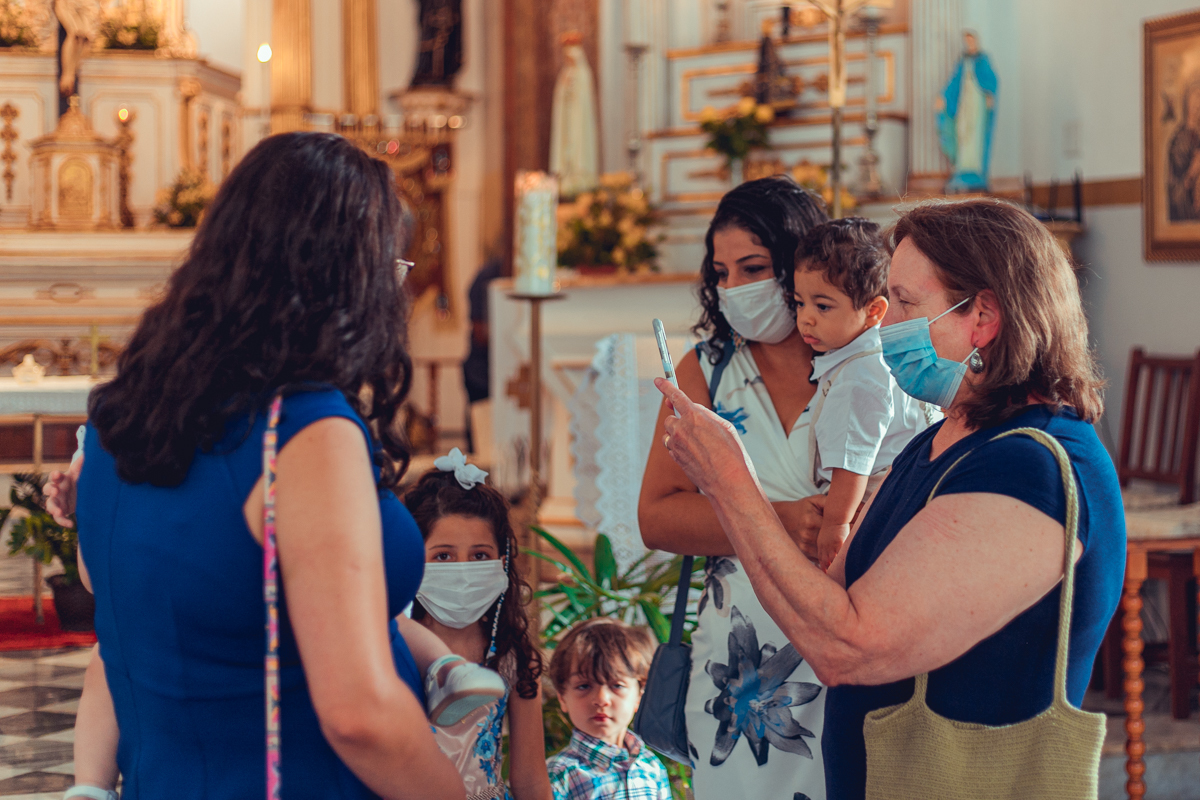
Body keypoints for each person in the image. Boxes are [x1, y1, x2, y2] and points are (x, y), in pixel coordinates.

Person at [654, 197, 1125, 800]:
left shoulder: (1027, 465)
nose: (885, 323)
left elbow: (847, 648)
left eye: (904, 303)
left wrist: (730, 483)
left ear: (982, 316)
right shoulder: (937, 440)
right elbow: (818, 608)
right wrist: (732, 493)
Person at [67, 132, 466, 800]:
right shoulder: (303, 430)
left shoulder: (123, 418)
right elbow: (359, 715)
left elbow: (103, 580)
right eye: (391, 268)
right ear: (345, 278)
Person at [637, 175, 832, 800]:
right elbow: (658, 516)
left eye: (754, 267)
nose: (736, 290)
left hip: (840, 646)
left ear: (800, 262)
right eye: (722, 273)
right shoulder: (708, 371)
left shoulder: (860, 363)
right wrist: (775, 517)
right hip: (735, 665)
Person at [403, 452, 552, 800]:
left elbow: (531, 778)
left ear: (501, 562)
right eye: (443, 556)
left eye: (479, 555)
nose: (462, 570)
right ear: (412, 559)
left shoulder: (514, 658)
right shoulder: (396, 649)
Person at [792, 218, 935, 569]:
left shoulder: (859, 372)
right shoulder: (867, 357)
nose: (806, 319)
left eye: (822, 306)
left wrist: (836, 525)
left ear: (873, 311)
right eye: (799, 303)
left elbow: (853, 461)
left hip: (873, 503)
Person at [545, 620, 671, 800]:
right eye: (584, 686)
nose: (601, 700)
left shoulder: (651, 766)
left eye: (617, 686)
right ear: (562, 697)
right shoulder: (557, 775)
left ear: (639, 696)